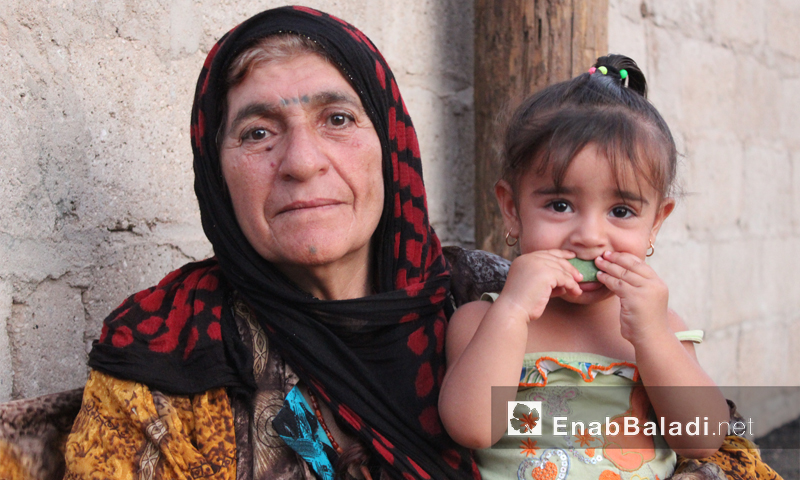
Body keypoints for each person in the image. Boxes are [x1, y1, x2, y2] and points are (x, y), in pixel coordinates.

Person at [61, 6, 479, 480]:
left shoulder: (493, 306)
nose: (301, 162)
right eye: (258, 133)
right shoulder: (162, 355)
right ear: (217, 177)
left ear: (390, 145)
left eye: (338, 119)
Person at [437, 55, 755, 480]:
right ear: (512, 209)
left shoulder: (663, 328)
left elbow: (703, 439)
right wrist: (512, 311)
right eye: (560, 205)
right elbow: (472, 428)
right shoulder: (482, 320)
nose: (589, 235)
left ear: (655, 223)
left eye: (621, 210)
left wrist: (654, 336)